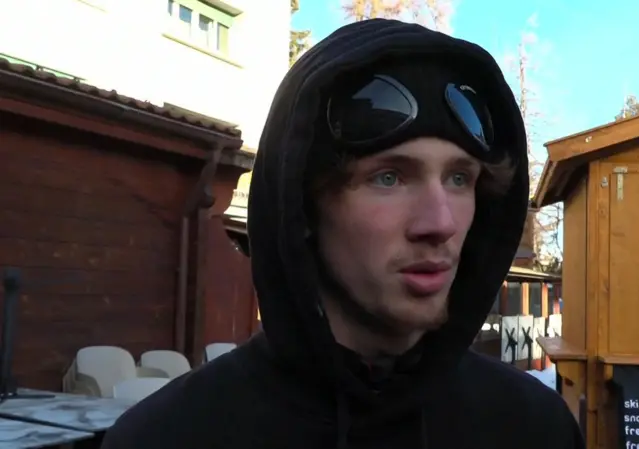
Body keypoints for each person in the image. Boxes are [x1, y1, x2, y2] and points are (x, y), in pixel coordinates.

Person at [100, 18, 584, 449]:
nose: (440, 223)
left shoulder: (532, 427)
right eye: (388, 177)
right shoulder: (167, 436)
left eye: (459, 178)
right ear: (304, 207)